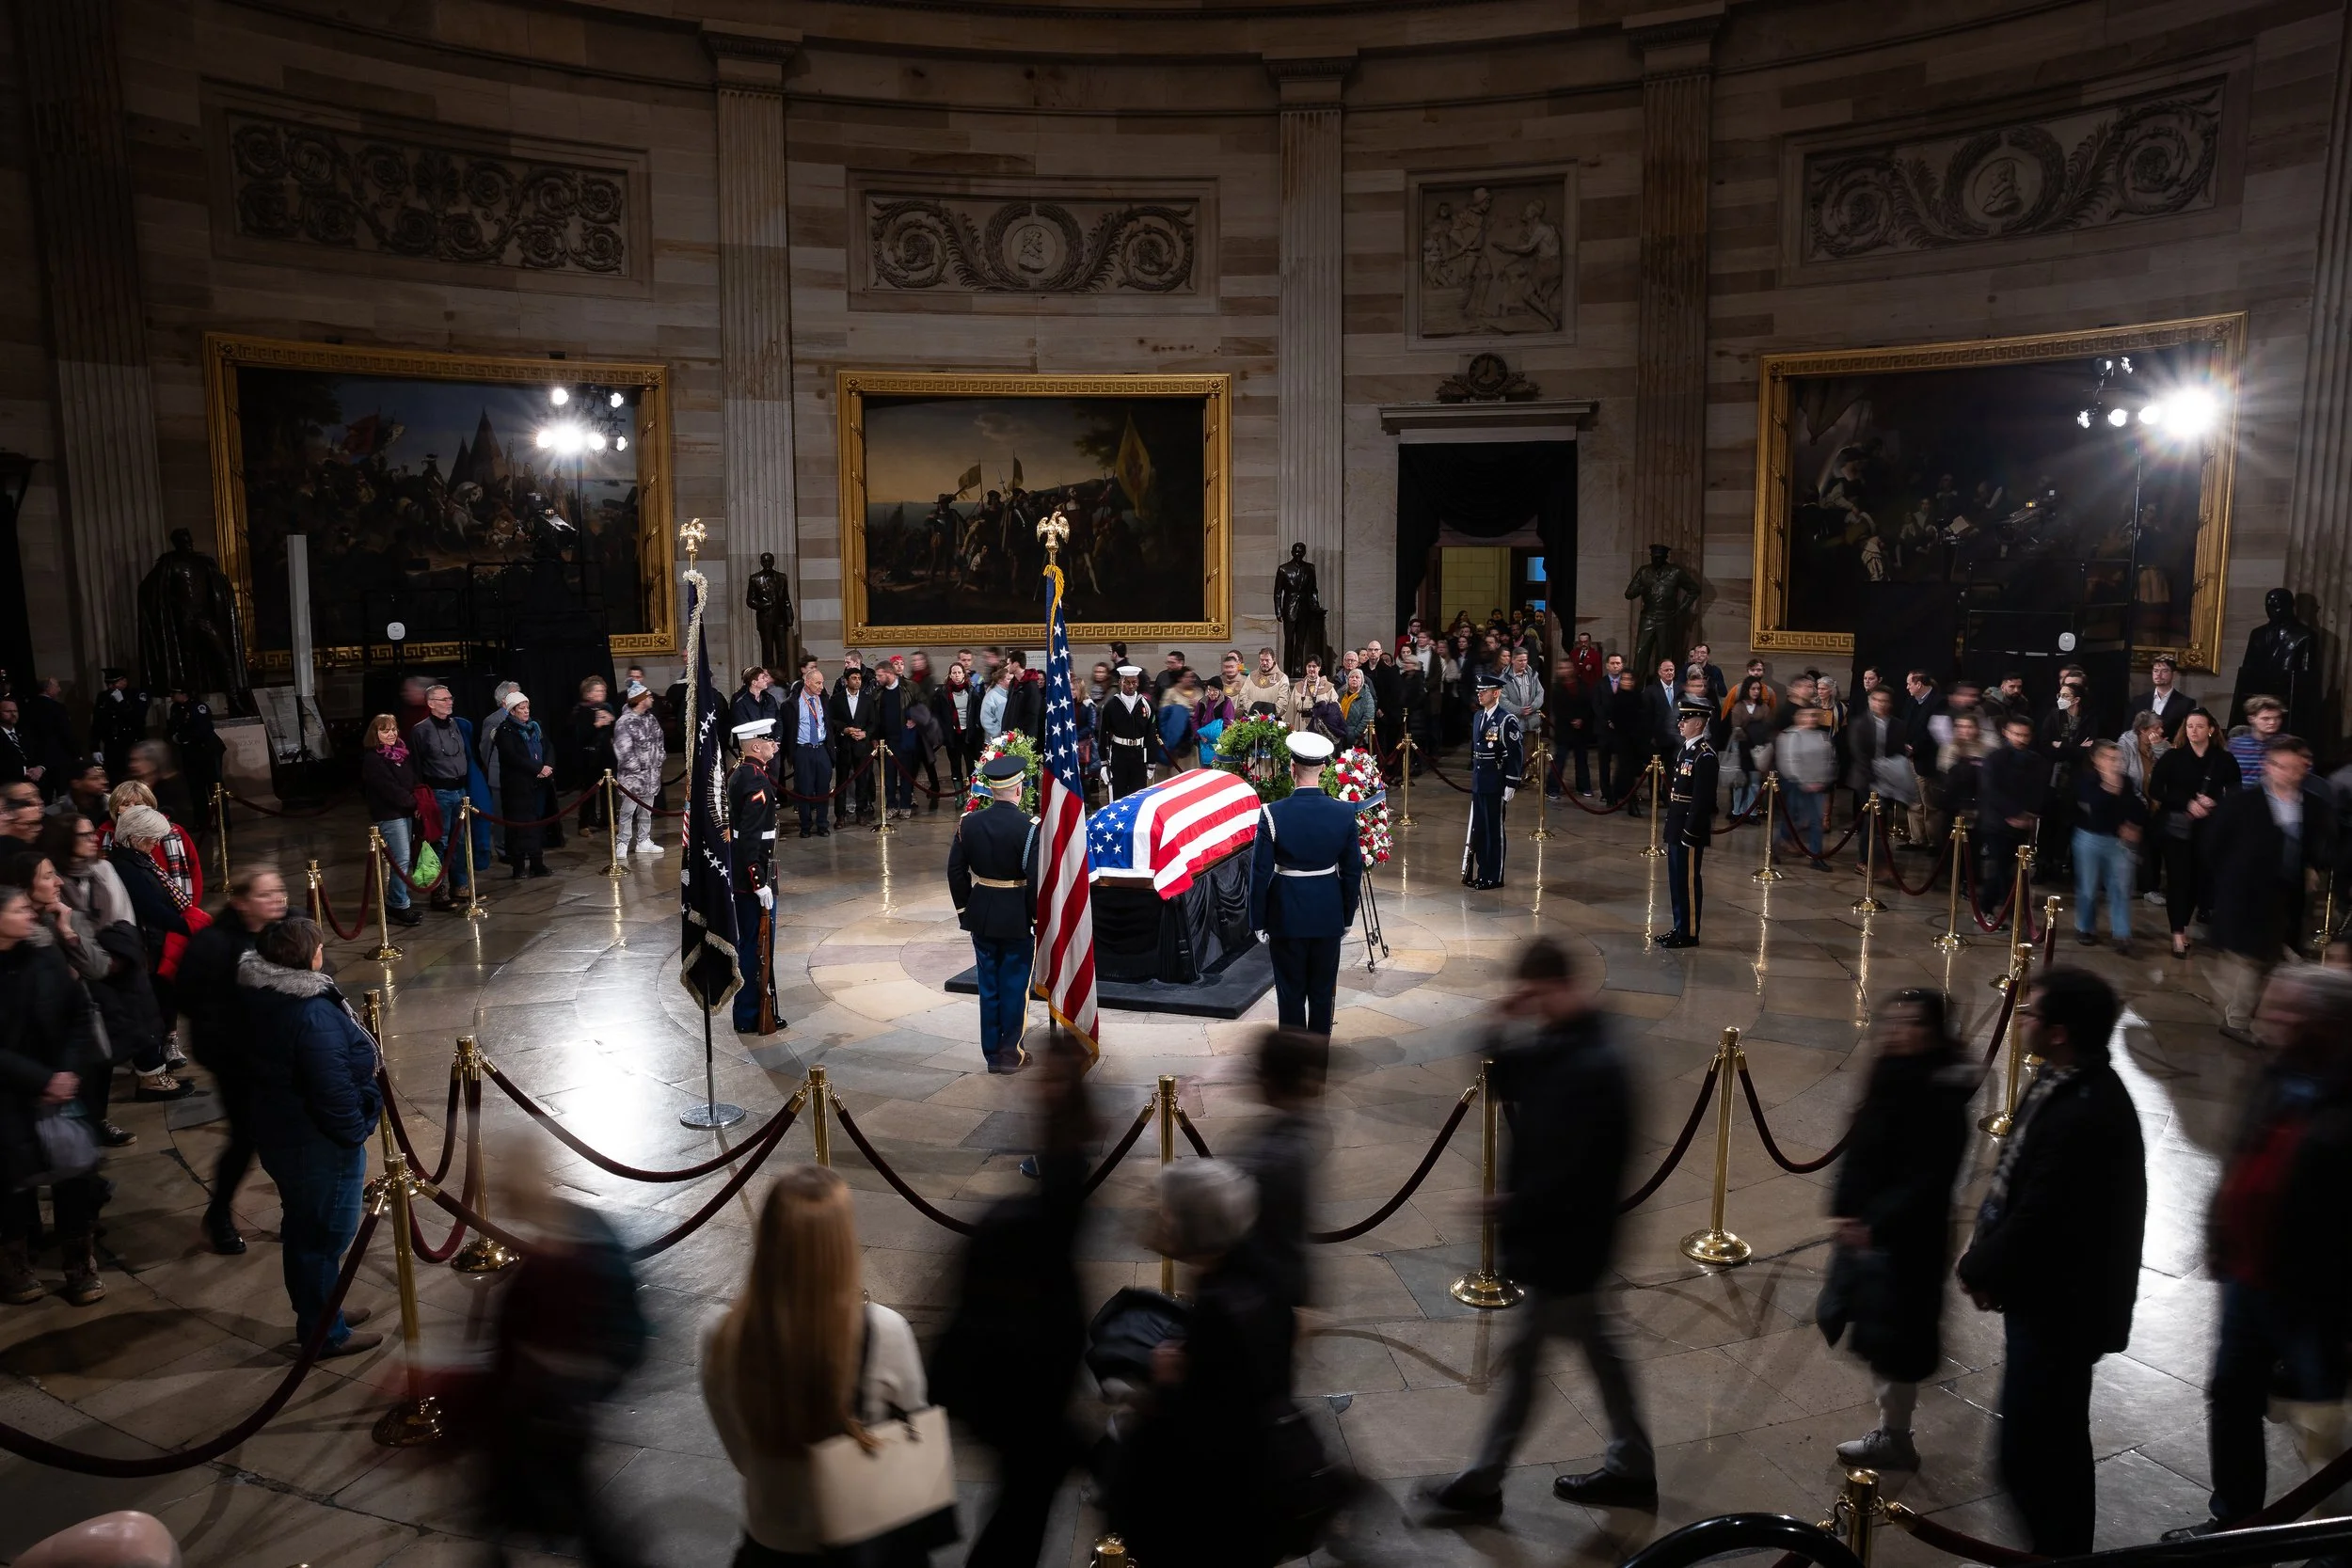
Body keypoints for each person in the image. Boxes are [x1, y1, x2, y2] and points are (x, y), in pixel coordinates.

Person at [1422, 937, 1652, 1517]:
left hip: (1569, 1240)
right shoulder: (1564, 1041)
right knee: (1592, 1351)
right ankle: (1631, 1466)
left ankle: (1482, 1484)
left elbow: (1582, 1166)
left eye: (1533, 994)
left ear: (1556, 987)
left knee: (1529, 1363)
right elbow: (1504, 1079)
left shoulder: (1596, 1062)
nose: (1529, 1004)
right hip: (1563, 1238)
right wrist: (1501, 1021)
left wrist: (1513, 1205)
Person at [1955, 967, 2146, 1556]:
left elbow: (2044, 1215)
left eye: (2032, 1013)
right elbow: (2017, 1178)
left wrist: (1980, 1268)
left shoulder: (2088, 1110)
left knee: (2036, 1452)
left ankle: (2060, 1553)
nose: (2021, 1020)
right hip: (2044, 1296)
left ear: (2060, 1031)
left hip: (2065, 1309)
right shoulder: (2063, 1080)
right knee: (2047, 1442)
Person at [2163, 966, 2352, 1542]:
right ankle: (2235, 1523)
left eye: (2286, 1013)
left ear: (2322, 1024)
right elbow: (2246, 1151)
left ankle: (2334, 1541)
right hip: (2251, 1278)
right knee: (2231, 1398)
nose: (2271, 1022)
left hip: (2315, 1297)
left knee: (2322, 1429)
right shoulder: (2279, 1070)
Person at [703, 1164, 944, 1568]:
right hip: (859, 1542)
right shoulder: (885, 1332)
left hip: (769, 1544)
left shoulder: (720, 1334)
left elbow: (741, 1455)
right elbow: (913, 1446)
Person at [930, 1027, 1094, 1567]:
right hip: (1035, 1388)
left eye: (1046, 1079)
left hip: (1025, 1390)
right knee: (1020, 1517)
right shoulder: (1039, 1209)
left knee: (1014, 1525)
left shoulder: (1018, 1224)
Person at [474, 1132, 650, 1568]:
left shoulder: (556, 1259)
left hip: (551, 1416)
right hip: (555, 1412)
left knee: (581, 1522)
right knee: (578, 1519)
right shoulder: (581, 1230)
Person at [1111, 1161, 1296, 1567]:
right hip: (1257, 1494)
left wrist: (1166, 1380)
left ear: (1189, 1226)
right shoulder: (1260, 1272)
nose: (1157, 1220)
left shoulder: (1219, 1309)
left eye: (1165, 1213)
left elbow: (1203, 1421)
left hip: (1217, 1512)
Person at [1826, 989, 1977, 1471]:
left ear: (1932, 1031)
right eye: (1891, 1022)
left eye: (1911, 1023)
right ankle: (1891, 1428)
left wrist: (1874, 1222)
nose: (1898, 1031)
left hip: (1907, 1240)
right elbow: (1862, 1146)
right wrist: (1847, 1207)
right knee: (1881, 1334)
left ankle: (1895, 1437)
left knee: (1898, 1342)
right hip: (1874, 1233)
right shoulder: (1892, 1073)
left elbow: (1929, 1178)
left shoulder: (1943, 1096)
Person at [236, 914, 383, 1358]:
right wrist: (354, 1132)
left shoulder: (261, 995)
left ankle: (324, 1312)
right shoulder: (311, 1012)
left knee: (306, 1229)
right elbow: (330, 1085)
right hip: (316, 1142)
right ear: (307, 956)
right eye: (318, 944)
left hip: (282, 1132)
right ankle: (324, 1333)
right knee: (322, 1236)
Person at [0, 878, 107, 1307]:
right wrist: (39, 1080)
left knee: (74, 1176)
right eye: (19, 910)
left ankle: (80, 1263)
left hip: (60, 1087)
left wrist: (66, 1072)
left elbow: (79, 1013)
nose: (30, 914)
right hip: (9, 1095)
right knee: (10, 1183)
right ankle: (16, 1265)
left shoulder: (43, 957)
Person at [175, 864, 284, 1255]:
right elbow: (187, 998)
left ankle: (295, 1208)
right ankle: (219, 1213)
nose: (277, 900)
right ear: (240, 902)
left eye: (279, 891)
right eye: (265, 894)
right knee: (247, 1137)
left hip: (285, 1053)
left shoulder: (289, 929)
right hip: (237, 1059)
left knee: (286, 1134)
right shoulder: (213, 944)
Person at [39, 815, 176, 1125]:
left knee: (127, 1026)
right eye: (83, 835)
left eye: (92, 833)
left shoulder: (103, 870)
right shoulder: (57, 886)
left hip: (115, 961)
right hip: (84, 976)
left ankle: (122, 1099)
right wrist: (79, 938)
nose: (93, 839)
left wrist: (111, 950)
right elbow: (82, 951)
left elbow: (121, 921)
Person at [2207, 735, 2337, 1041]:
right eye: (2281, 766)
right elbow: (2214, 844)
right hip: (2245, 894)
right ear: (2269, 766)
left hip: (2286, 896)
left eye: (2295, 767)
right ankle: (2237, 1020)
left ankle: (2244, 1014)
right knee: (2250, 959)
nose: (2288, 773)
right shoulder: (2243, 802)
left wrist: (2312, 868)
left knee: (2265, 959)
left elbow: (2322, 844)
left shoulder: (2312, 805)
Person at [1248, 733, 1361, 1038]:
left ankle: (1293, 1071)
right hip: (1327, 914)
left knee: (1291, 997)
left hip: (1286, 916)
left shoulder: (1272, 814)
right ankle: (1317, 1070)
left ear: (1291, 767)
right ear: (1323, 768)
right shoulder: (1343, 813)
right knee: (1323, 997)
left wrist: (1257, 920)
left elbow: (1259, 873)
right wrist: (1347, 916)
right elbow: (1352, 871)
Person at [948, 755, 1039, 1074]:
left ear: (991, 790)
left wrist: (965, 909)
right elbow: (1035, 880)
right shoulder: (1028, 829)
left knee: (988, 986)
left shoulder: (969, 823)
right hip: (1015, 916)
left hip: (982, 912)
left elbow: (956, 871)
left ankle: (992, 1055)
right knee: (1015, 986)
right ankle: (1010, 1053)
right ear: (1017, 789)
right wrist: (1036, 918)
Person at [2150, 709, 2235, 958]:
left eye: (2199, 726)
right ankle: (2177, 933)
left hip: (2209, 829)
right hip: (2178, 829)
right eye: (2189, 726)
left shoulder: (2224, 760)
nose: (2193, 731)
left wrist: (2215, 801)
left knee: (2199, 882)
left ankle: (2184, 925)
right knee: (2178, 881)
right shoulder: (2173, 758)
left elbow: (2235, 791)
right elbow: (2156, 789)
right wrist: (2187, 802)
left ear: (2211, 729)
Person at [2072, 740, 2150, 955]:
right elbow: (2095, 808)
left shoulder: (2126, 782)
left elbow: (2137, 808)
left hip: (2117, 842)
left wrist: (2133, 825)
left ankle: (2122, 933)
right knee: (2088, 887)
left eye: (2117, 759)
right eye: (2108, 758)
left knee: (2121, 888)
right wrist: (2109, 785)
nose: (2114, 763)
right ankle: (2085, 927)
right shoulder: (2087, 780)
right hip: (2090, 838)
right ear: (2096, 760)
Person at [728, 721, 781, 1034]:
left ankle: (751, 1012)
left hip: (747, 873)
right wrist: (759, 882)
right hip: (752, 877)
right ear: (756, 746)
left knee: (753, 944)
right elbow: (749, 836)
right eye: (769, 740)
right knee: (755, 946)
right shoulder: (756, 781)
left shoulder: (743, 773)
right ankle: (749, 1014)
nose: (775, 745)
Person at [407, 686, 476, 911]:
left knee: (460, 841)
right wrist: (419, 799)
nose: (449, 702)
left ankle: (461, 885)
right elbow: (416, 766)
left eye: (450, 697)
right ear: (431, 703)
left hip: (460, 791)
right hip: (438, 793)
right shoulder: (421, 730)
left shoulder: (456, 724)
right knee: (439, 842)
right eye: (444, 699)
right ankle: (438, 891)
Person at [1661, 698, 1718, 947]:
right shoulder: (1687, 749)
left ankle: (1690, 932)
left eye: (1685, 720)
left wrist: (1689, 831)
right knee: (1676, 881)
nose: (1680, 723)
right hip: (1677, 825)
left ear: (1698, 723)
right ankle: (1679, 926)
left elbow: (1702, 800)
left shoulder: (1705, 756)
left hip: (1688, 829)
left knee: (1688, 882)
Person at [358, 715, 425, 928]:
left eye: (394, 729)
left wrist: (418, 801)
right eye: (385, 730)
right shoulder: (373, 759)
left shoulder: (401, 754)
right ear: (375, 734)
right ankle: (397, 904)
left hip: (405, 811)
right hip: (389, 814)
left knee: (405, 858)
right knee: (401, 858)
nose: (392, 734)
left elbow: (412, 780)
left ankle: (400, 900)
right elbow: (388, 788)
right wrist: (412, 803)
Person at [1979, 714, 2046, 913]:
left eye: (2025, 735)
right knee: (1998, 868)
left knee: (2013, 869)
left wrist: (2030, 813)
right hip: (1996, 823)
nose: (2021, 739)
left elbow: (2040, 789)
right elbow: (1990, 790)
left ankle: (2008, 907)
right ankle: (1986, 909)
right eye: (2016, 734)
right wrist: (2013, 813)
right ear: (2006, 733)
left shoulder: (2036, 761)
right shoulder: (1994, 759)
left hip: (2022, 826)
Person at [1462, 672, 1524, 890]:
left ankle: (1494, 876)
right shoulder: (1479, 716)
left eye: (1484, 691)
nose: (1480, 694)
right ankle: (1481, 872)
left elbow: (1515, 753)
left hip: (1496, 781)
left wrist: (1511, 783)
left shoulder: (1506, 719)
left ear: (1496, 693)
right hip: (1480, 780)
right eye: (1479, 691)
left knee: (1493, 831)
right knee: (1479, 828)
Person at [1775, 703, 1836, 867]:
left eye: (1813, 715)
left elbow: (1829, 759)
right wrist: (1802, 781)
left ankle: (1816, 857)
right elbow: (1789, 762)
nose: (1811, 719)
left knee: (1816, 821)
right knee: (1796, 820)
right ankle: (1776, 845)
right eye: (1807, 715)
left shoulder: (1821, 736)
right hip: (1797, 785)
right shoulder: (1790, 736)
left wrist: (1823, 780)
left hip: (1817, 785)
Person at [611, 683, 664, 854]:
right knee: (627, 811)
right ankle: (623, 842)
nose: (652, 698)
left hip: (651, 775)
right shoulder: (624, 722)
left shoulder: (651, 719)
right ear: (640, 700)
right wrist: (638, 769)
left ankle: (643, 840)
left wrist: (658, 759)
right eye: (648, 696)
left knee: (646, 811)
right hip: (633, 778)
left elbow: (659, 741)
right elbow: (623, 750)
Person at [785, 664, 832, 838]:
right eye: (817, 683)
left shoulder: (824, 700)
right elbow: (788, 728)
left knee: (823, 789)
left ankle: (822, 824)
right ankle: (805, 825)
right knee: (803, 790)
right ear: (807, 682)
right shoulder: (792, 703)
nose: (821, 686)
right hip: (803, 750)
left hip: (821, 749)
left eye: (822, 683)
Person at [163, 687, 223, 822]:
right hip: (189, 752)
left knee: (215, 787)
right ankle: (201, 821)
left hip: (206, 751)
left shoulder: (199, 707)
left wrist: (182, 737)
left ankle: (222, 822)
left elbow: (203, 730)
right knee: (195, 788)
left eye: (175, 693)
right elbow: (173, 726)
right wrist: (173, 737)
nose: (172, 696)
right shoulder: (175, 708)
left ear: (184, 694)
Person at [1100, 665, 1156, 800]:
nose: (1131, 686)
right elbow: (1103, 734)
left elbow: (1151, 735)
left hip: (1139, 755)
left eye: (1134, 682)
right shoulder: (1111, 705)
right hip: (1119, 755)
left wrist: (1151, 763)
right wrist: (1103, 763)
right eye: (1127, 682)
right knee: (1119, 795)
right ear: (1120, 683)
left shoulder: (1146, 705)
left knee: (1137, 796)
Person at [568, 677, 617, 834]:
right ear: (588, 693)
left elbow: (613, 729)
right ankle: (584, 823)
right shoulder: (581, 710)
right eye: (597, 691)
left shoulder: (607, 707)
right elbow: (579, 735)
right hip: (589, 755)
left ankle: (609, 819)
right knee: (589, 790)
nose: (601, 693)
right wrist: (596, 725)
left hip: (606, 754)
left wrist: (612, 723)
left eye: (603, 690)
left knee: (609, 789)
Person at [829, 664, 876, 826]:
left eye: (859, 678)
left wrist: (865, 734)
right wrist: (845, 729)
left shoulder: (867, 699)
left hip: (862, 746)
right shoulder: (836, 700)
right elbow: (831, 720)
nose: (857, 681)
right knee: (842, 781)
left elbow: (873, 722)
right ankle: (840, 816)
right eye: (854, 678)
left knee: (862, 781)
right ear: (846, 681)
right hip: (844, 746)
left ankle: (861, 813)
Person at [87, 668, 145, 784]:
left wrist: (122, 703)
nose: (110, 687)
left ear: (124, 681)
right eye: (108, 684)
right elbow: (97, 723)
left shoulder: (136, 694)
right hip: (112, 747)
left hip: (131, 745)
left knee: (133, 781)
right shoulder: (103, 697)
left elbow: (137, 719)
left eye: (114, 683)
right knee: (114, 781)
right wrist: (95, 747)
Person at [931, 662, 978, 799]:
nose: (957, 675)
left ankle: (973, 795)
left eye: (959, 672)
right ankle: (959, 796)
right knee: (955, 765)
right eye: (954, 673)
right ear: (950, 675)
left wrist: (975, 727)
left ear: (964, 674)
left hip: (968, 734)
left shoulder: (971, 691)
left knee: (971, 765)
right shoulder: (943, 692)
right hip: (952, 734)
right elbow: (937, 713)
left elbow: (976, 711)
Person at [2131, 654, 2194, 744]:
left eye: (2164, 671)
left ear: (2174, 675)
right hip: (2139, 752)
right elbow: (2129, 730)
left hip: (2169, 753)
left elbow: (2186, 735)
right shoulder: (2138, 701)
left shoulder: (2186, 703)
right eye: (2156, 671)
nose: (2158, 675)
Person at [2229, 695, 2284, 787]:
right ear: (2251, 719)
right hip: (2241, 798)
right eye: (2266, 719)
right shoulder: (2235, 745)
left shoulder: (2290, 745)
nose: (2273, 722)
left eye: (2277, 718)